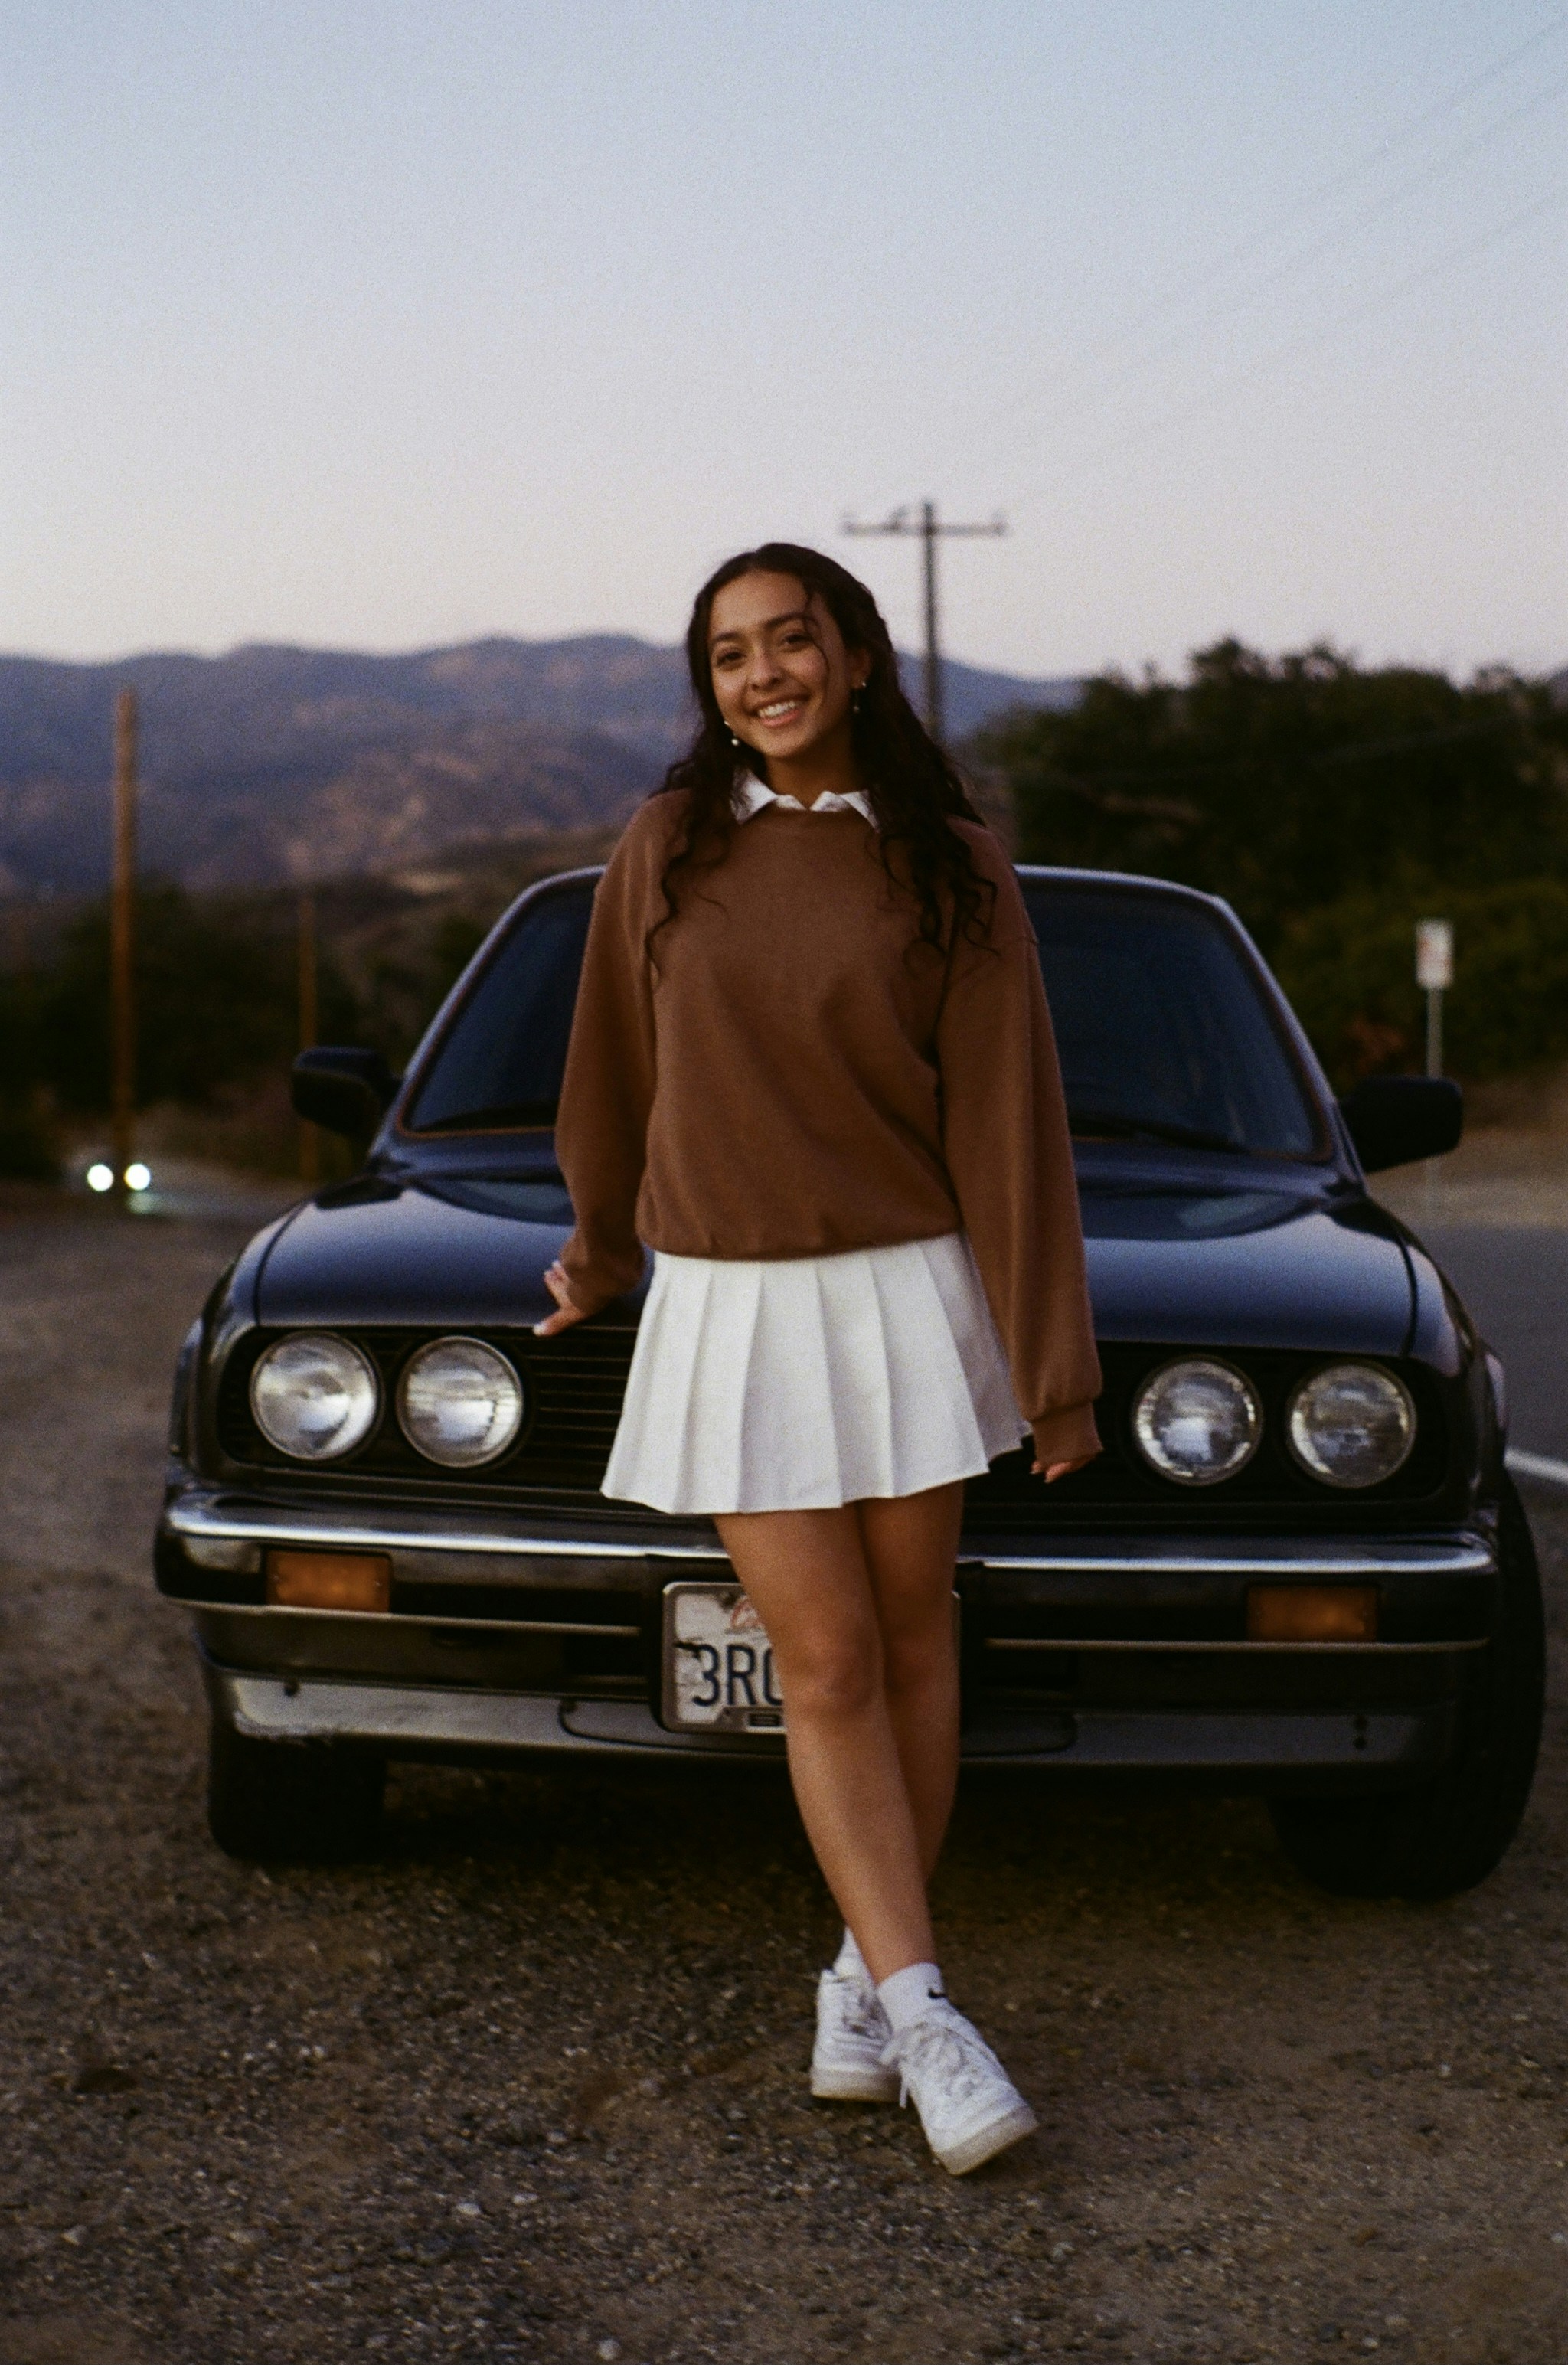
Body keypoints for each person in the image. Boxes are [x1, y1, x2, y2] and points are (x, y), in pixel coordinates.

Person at [535, 542, 1101, 2176]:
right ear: (707, 687)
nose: (763, 673)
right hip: (733, 1300)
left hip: (910, 1291)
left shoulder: (956, 869)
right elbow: (611, 1070)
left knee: (916, 1647)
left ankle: (859, 1984)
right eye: (729, 654)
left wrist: (1050, 1366)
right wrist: (597, 1243)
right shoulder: (668, 848)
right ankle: (927, 2013)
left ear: (856, 656)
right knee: (831, 1662)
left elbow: (1013, 1133)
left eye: (793, 640)